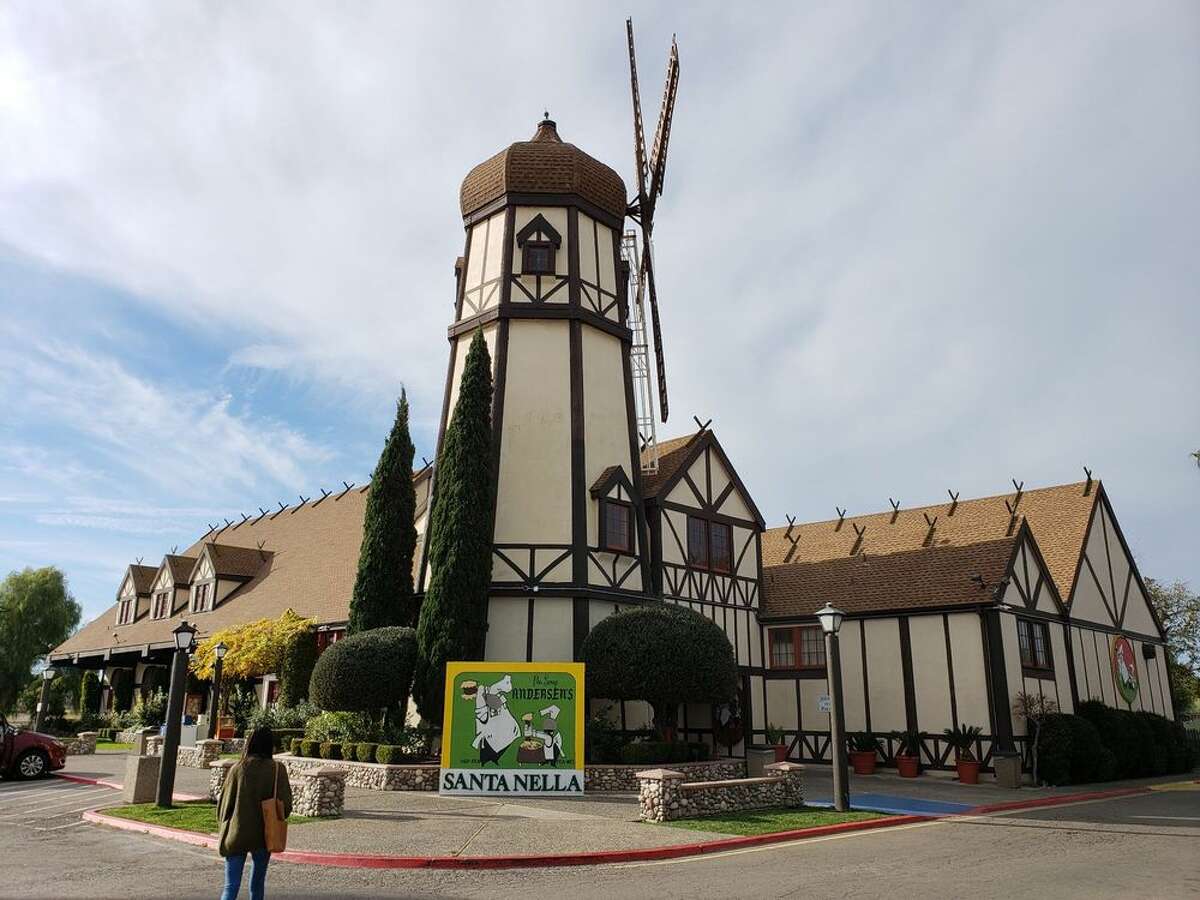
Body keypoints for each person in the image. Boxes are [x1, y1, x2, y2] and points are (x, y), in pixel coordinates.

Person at [217, 726, 292, 900]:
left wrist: (223, 825)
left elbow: (224, 805)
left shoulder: (238, 769)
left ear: (250, 743)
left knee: (231, 886)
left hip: (237, 833)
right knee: (257, 884)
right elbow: (286, 805)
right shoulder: (277, 769)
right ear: (269, 745)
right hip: (265, 834)